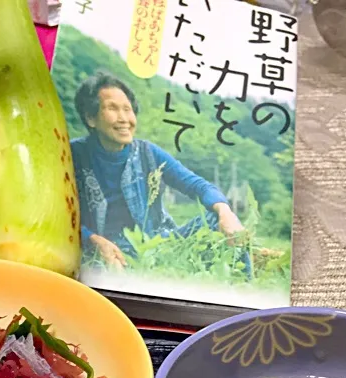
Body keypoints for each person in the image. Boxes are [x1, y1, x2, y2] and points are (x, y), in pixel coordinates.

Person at [71, 72, 245, 270]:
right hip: (106, 251)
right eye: (112, 108)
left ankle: (247, 289)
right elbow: (61, 216)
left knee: (218, 219)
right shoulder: (72, 155)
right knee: (96, 271)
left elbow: (197, 185)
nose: (124, 119)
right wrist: (92, 240)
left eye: (128, 110)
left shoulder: (148, 153)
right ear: (90, 118)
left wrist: (225, 212)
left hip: (158, 244)